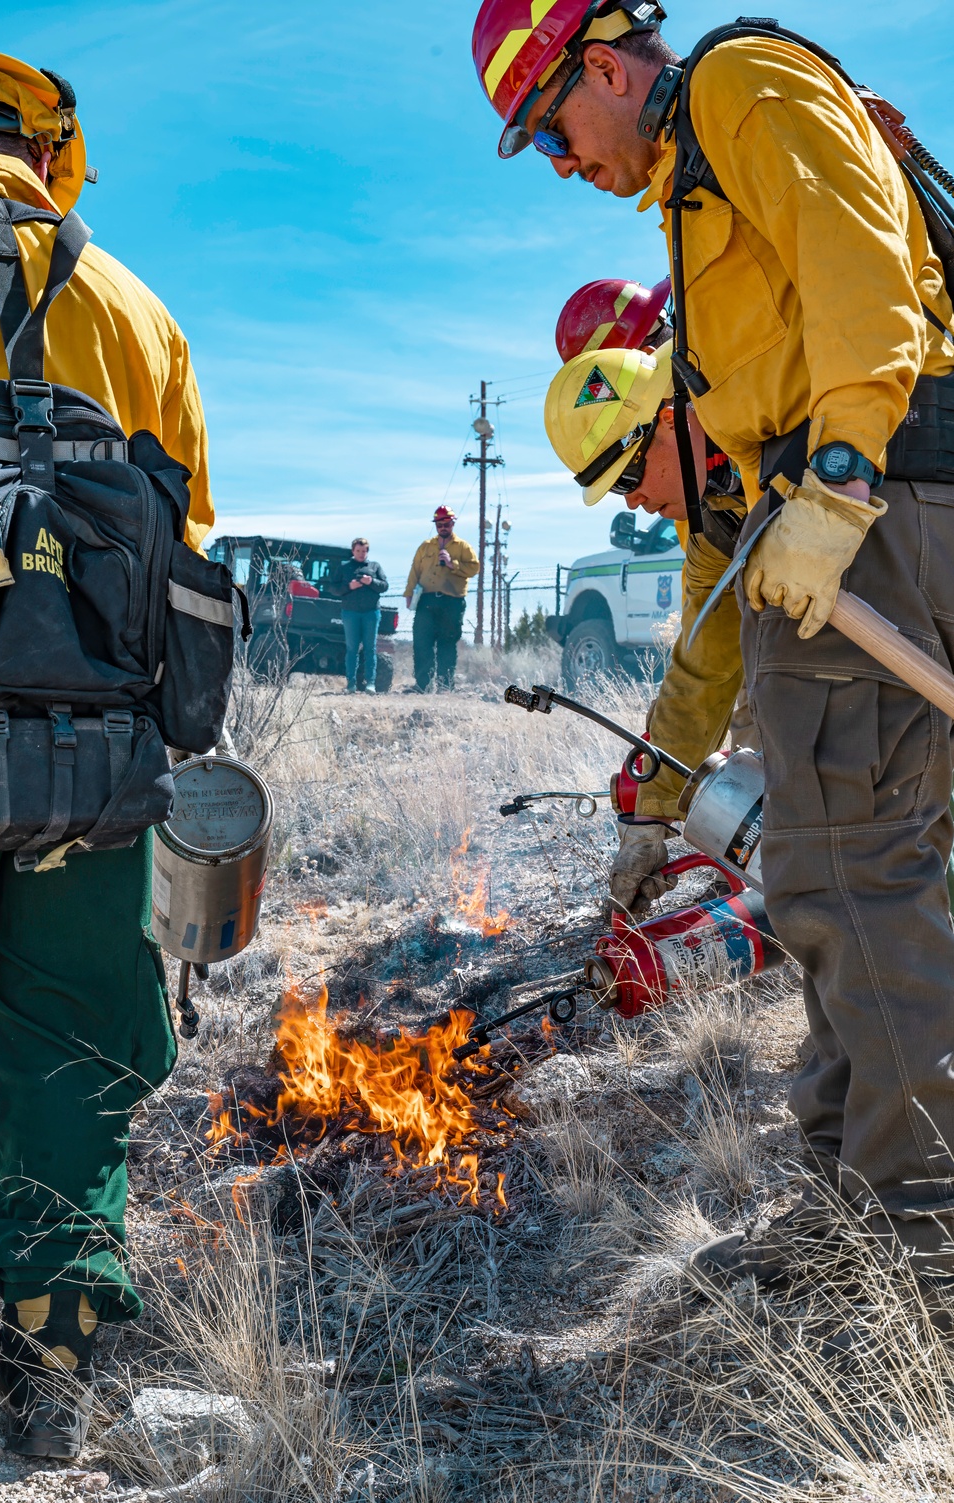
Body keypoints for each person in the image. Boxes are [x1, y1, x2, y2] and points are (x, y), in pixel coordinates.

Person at [474, 2, 954, 1300]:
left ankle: (926, 1246)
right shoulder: (692, 205)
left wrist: (844, 471)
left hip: (878, 503)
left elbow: (861, 250)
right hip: (834, 530)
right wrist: (666, 790)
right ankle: (858, 1203)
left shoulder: (740, 85)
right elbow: (711, 595)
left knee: (866, 882)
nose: (565, 165)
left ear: (608, 68)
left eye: (553, 130)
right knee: (824, 883)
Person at [0, 52, 213, 1454]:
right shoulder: (140, 312)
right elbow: (190, 547)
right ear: (54, 158)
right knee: (69, 1056)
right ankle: (50, 1377)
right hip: (91, 775)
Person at [545, 308, 751, 916]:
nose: (633, 500)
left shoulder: (774, 425)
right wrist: (651, 818)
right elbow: (704, 670)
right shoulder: (716, 523)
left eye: (629, 474)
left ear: (667, 418)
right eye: (615, 490)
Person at [404, 507, 480, 691]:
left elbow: (474, 568)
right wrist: (408, 593)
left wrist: (452, 563)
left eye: (446, 524)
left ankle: (445, 686)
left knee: (447, 644)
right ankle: (423, 686)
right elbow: (415, 570)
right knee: (422, 643)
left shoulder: (462, 547)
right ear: (436, 526)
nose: (443, 527)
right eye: (439, 524)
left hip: (452, 602)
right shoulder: (426, 546)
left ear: (452, 524)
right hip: (427, 601)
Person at [329, 537, 388, 694]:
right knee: (352, 648)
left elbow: (384, 586)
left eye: (364, 551)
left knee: (370, 648)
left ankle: (370, 684)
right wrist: (349, 586)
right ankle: (351, 684)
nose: (361, 554)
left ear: (367, 551)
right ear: (353, 551)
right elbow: (333, 588)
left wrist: (371, 582)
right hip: (350, 613)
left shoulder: (375, 566)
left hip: (371, 613)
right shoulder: (344, 568)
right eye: (358, 551)